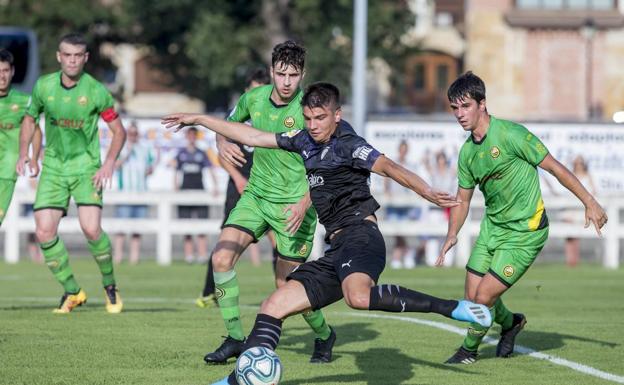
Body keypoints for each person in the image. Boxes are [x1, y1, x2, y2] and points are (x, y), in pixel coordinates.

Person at [162, 82, 493, 385]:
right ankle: (238, 379)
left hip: (362, 237)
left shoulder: (349, 145)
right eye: (307, 117)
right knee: (272, 304)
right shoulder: (304, 141)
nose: (312, 124)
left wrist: (428, 192)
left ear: (337, 115)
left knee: (358, 297)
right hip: (336, 248)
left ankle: (449, 307)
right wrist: (200, 119)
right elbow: (252, 136)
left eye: (320, 117)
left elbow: (390, 167)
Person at [436, 71, 607, 364]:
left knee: (482, 298)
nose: (460, 114)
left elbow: (555, 167)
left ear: (482, 104)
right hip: (493, 229)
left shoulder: (512, 134)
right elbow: (463, 200)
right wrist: (452, 233)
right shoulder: (467, 154)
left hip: (525, 232)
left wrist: (589, 202)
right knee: (472, 298)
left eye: (465, 106)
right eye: (455, 108)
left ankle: (468, 350)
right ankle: (511, 322)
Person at [192, 41, 335, 365]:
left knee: (287, 286)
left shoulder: (308, 108)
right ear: (271, 72)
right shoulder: (253, 98)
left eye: (293, 75)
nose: (286, 81)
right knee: (221, 258)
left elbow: (327, 163)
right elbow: (229, 121)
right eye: (281, 73)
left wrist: (305, 202)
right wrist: (220, 140)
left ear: (303, 75)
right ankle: (234, 338)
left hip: (293, 207)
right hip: (255, 197)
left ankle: (325, 335)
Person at [17, 33, 126, 314]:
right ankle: (72, 290)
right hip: (53, 168)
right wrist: (25, 154)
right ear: (59, 57)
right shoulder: (44, 86)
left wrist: (109, 162)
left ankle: (110, 285)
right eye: (67, 55)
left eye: (78, 55)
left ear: (85, 58)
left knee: (90, 229)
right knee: (43, 232)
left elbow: (118, 131)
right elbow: (29, 119)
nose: (72, 60)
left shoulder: (96, 91)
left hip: (86, 168)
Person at [196, 68, 277, 309]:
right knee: (226, 242)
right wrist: (238, 178)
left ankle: (282, 292)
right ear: (246, 91)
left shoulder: (273, 115)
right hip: (239, 188)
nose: (257, 95)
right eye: (253, 90)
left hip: (268, 187)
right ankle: (210, 292)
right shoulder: (237, 115)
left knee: (278, 242)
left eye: (261, 90)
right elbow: (222, 153)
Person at [0, 49, 42, 228]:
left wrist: (33, 158)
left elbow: (36, 130)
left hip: (6, 172)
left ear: (12, 72)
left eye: (5, 71)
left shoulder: (25, 101)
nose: (2, 76)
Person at [172, 126, 218, 264]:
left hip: (199, 191)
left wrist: (215, 186)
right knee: (186, 224)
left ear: (196, 136)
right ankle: (189, 255)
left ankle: (202, 255)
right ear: (186, 136)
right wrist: (175, 187)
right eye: (189, 135)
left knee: (202, 224)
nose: (191, 137)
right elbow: (176, 171)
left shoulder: (201, 153)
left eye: (194, 135)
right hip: (185, 191)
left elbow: (210, 169)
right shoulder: (181, 153)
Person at [113, 121, 156, 265]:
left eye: (135, 133)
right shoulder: (121, 148)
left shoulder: (145, 149)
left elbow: (150, 168)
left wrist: (152, 168)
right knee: (120, 228)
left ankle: (134, 257)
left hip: (141, 193)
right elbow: (116, 166)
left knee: (137, 229)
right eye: (130, 133)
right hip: (125, 193)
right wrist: (127, 151)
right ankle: (118, 256)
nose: (132, 136)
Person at [383, 140, 421, 269]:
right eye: (401, 149)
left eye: (405, 150)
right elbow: (386, 179)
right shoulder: (392, 163)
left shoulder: (411, 165)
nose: (403, 152)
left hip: (406, 204)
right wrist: (387, 192)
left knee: (404, 231)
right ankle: (405, 254)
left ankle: (399, 256)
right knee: (396, 232)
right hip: (394, 203)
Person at [562, 155, 597, 267]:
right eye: (576, 163)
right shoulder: (570, 175)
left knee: (576, 236)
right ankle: (569, 260)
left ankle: (575, 261)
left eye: (580, 163)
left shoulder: (588, 177)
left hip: (580, 210)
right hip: (570, 209)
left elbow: (593, 191)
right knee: (569, 237)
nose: (578, 166)